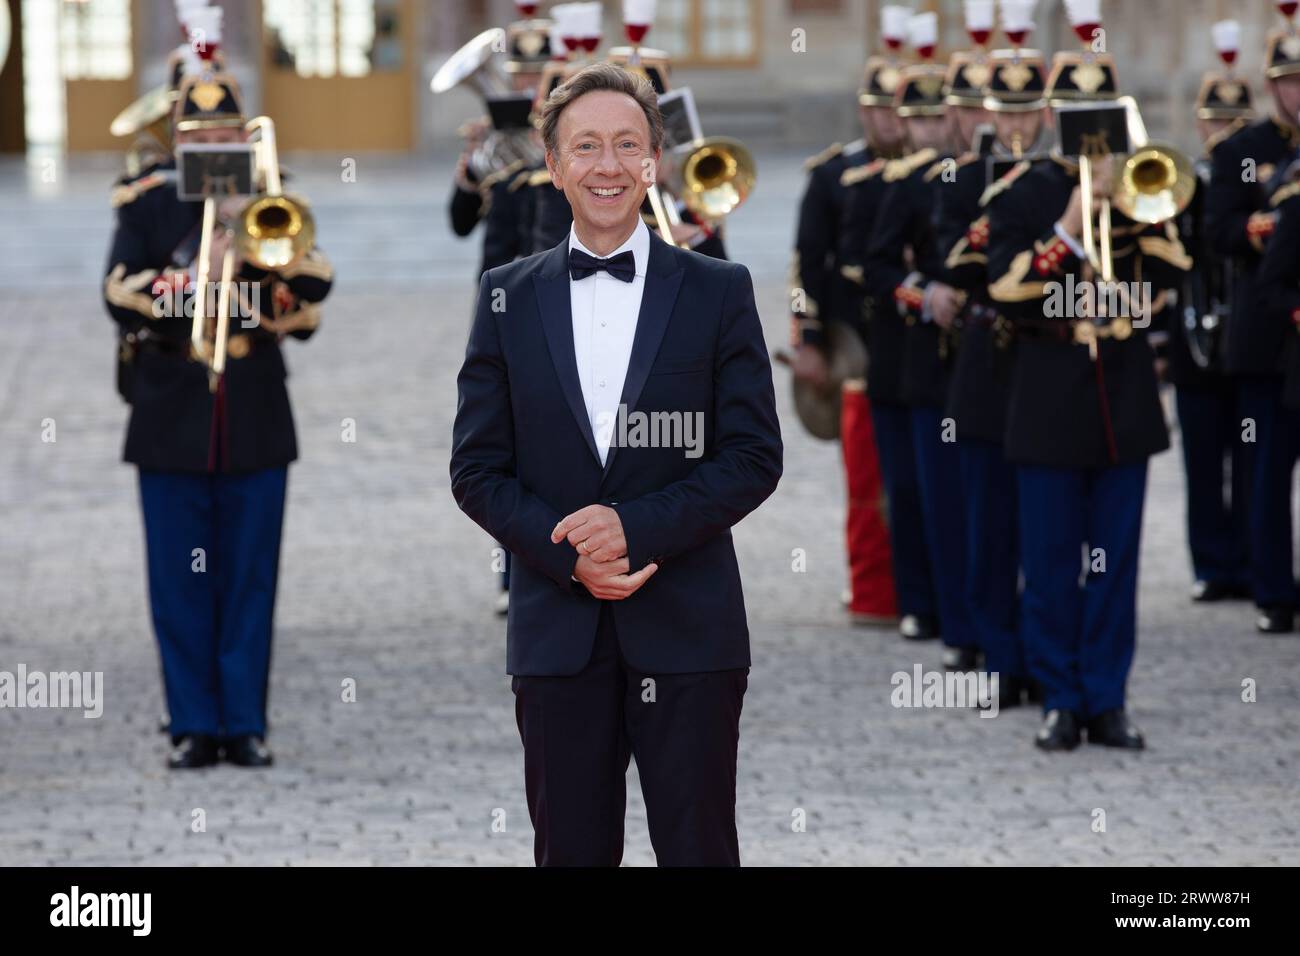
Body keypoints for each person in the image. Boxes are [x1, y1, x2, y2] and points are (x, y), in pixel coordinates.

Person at [450, 62, 782, 866]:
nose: (607, 165)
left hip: (691, 630)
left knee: (702, 850)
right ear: (553, 164)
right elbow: (477, 470)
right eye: (586, 146)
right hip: (558, 638)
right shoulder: (504, 295)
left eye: (627, 145)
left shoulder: (720, 289)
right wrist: (572, 558)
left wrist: (633, 532)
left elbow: (753, 456)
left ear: (654, 162)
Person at [103, 69, 333, 769]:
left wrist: (249, 257)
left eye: (226, 134)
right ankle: (192, 722)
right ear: (176, 138)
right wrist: (200, 278)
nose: (213, 145)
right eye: (199, 136)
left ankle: (244, 723)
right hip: (171, 407)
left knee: (249, 577)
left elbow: (315, 293)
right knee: (178, 578)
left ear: (245, 136)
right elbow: (119, 292)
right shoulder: (147, 200)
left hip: (255, 408)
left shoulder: (273, 193)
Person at [986, 27, 1190, 750]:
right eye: (1077, 115)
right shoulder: (1020, 192)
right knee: (1048, 563)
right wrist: (1073, 221)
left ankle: (1107, 697)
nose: (1091, 130)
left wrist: (1129, 207)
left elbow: (1174, 271)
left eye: (1102, 115)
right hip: (1047, 396)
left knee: (1114, 562)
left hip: (1122, 397)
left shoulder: (1141, 186)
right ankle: (1059, 697)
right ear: (1052, 117)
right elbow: (1008, 290)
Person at [936, 45, 1052, 706]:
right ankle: (998, 657)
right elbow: (955, 258)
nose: (1013, 123)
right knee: (988, 520)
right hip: (983, 356)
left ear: (1044, 112)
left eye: (1024, 110)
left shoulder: (1063, 178)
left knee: (1046, 524)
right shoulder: (961, 175)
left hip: (1044, 356)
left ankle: (1042, 653)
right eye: (1000, 109)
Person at [865, 13, 980, 668]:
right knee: (915, 492)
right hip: (913, 360)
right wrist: (922, 293)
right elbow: (874, 268)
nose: (938, 132)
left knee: (963, 494)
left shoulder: (979, 176)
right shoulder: (901, 184)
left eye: (946, 120)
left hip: (968, 357)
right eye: (926, 122)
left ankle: (968, 606)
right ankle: (922, 602)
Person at [788, 39, 904, 627]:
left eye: (898, 107)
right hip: (854, 350)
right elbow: (805, 267)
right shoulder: (834, 175)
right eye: (879, 107)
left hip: (913, 347)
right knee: (866, 482)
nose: (889, 119)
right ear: (863, 110)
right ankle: (874, 593)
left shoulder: (934, 171)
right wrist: (808, 343)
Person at [1206, 26, 1300, 633]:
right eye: (1292, 82)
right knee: (1265, 469)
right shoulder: (1245, 149)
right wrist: (1279, 222)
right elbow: (1220, 232)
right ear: (1272, 86)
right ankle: (1273, 590)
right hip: (1269, 331)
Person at [1167, 26, 1254, 605]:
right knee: (1202, 461)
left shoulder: (1254, 176)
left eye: (1233, 124)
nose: (1221, 135)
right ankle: (1211, 561)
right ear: (1200, 126)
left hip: (1244, 336)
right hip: (1194, 338)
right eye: (1214, 124)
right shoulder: (1182, 181)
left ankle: (1251, 558)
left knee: (1249, 458)